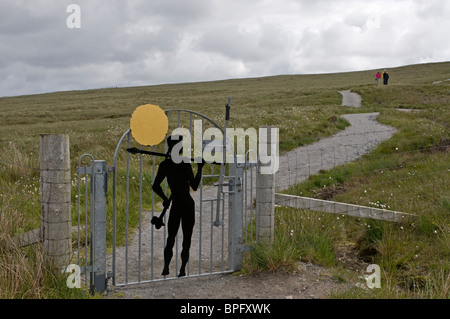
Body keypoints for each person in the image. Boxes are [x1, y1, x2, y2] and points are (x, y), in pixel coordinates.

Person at [152, 135, 204, 277]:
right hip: (187, 204)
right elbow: (194, 185)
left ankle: (166, 268)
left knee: (171, 237)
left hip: (176, 204)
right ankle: (182, 270)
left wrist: (164, 198)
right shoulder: (184, 163)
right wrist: (200, 168)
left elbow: (155, 186)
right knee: (186, 238)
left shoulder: (165, 165)